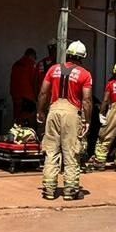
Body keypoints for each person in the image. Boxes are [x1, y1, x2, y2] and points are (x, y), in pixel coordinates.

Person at [37, 40, 93, 201]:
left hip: (53, 110)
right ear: (82, 57)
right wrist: (87, 120)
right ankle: (70, 190)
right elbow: (87, 100)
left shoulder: (53, 69)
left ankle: (49, 189)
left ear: (67, 54)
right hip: (71, 113)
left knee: (51, 151)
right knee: (71, 152)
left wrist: (40, 111)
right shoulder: (85, 74)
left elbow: (43, 93)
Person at [10, 47, 38, 123]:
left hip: (15, 97)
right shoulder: (32, 64)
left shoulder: (16, 64)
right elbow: (34, 82)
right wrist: (37, 97)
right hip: (27, 97)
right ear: (32, 56)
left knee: (17, 120)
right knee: (28, 122)